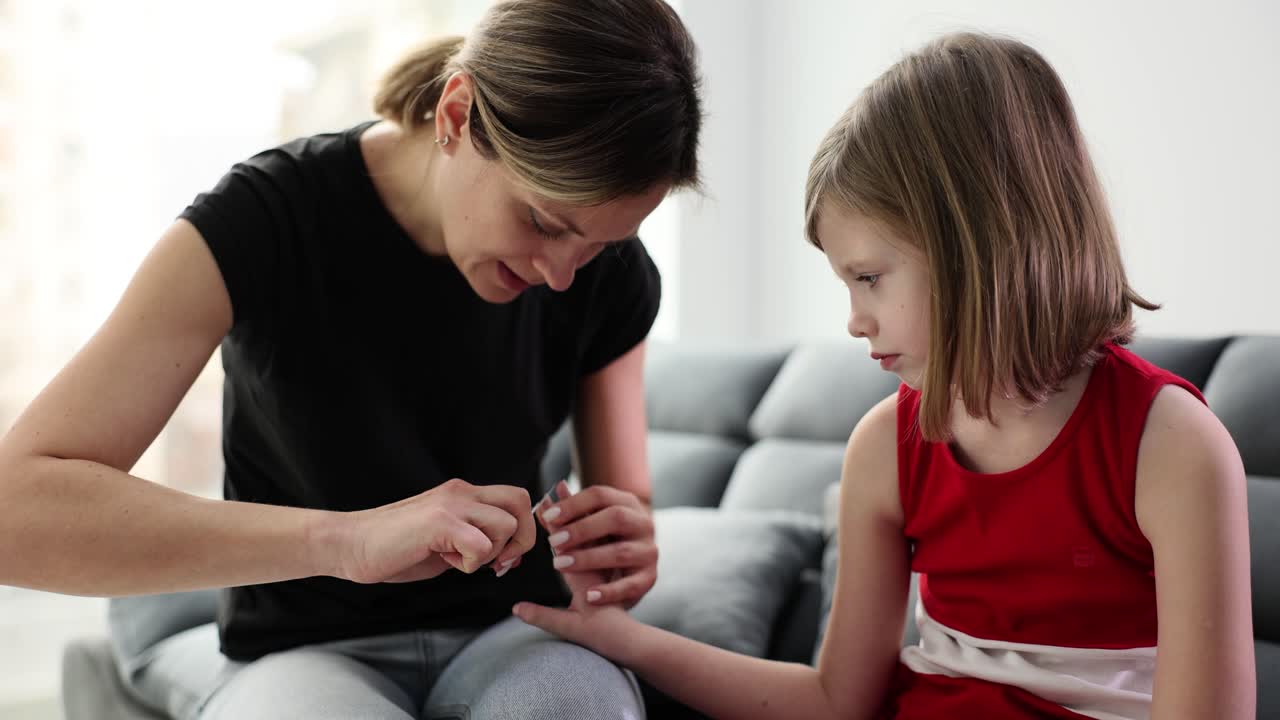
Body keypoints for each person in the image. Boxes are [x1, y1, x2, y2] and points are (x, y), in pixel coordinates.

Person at [515, 31, 1256, 719]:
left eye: (869, 276)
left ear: (980, 246)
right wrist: (623, 640)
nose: (854, 320)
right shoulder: (885, 447)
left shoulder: (1173, 448)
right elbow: (836, 701)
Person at [0, 0, 702, 718]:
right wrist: (347, 541)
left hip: (514, 631)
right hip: (303, 651)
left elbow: (623, 513)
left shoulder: (606, 278)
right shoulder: (264, 221)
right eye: (543, 222)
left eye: (597, 245)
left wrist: (624, 546)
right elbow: (13, 514)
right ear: (457, 116)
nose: (562, 275)